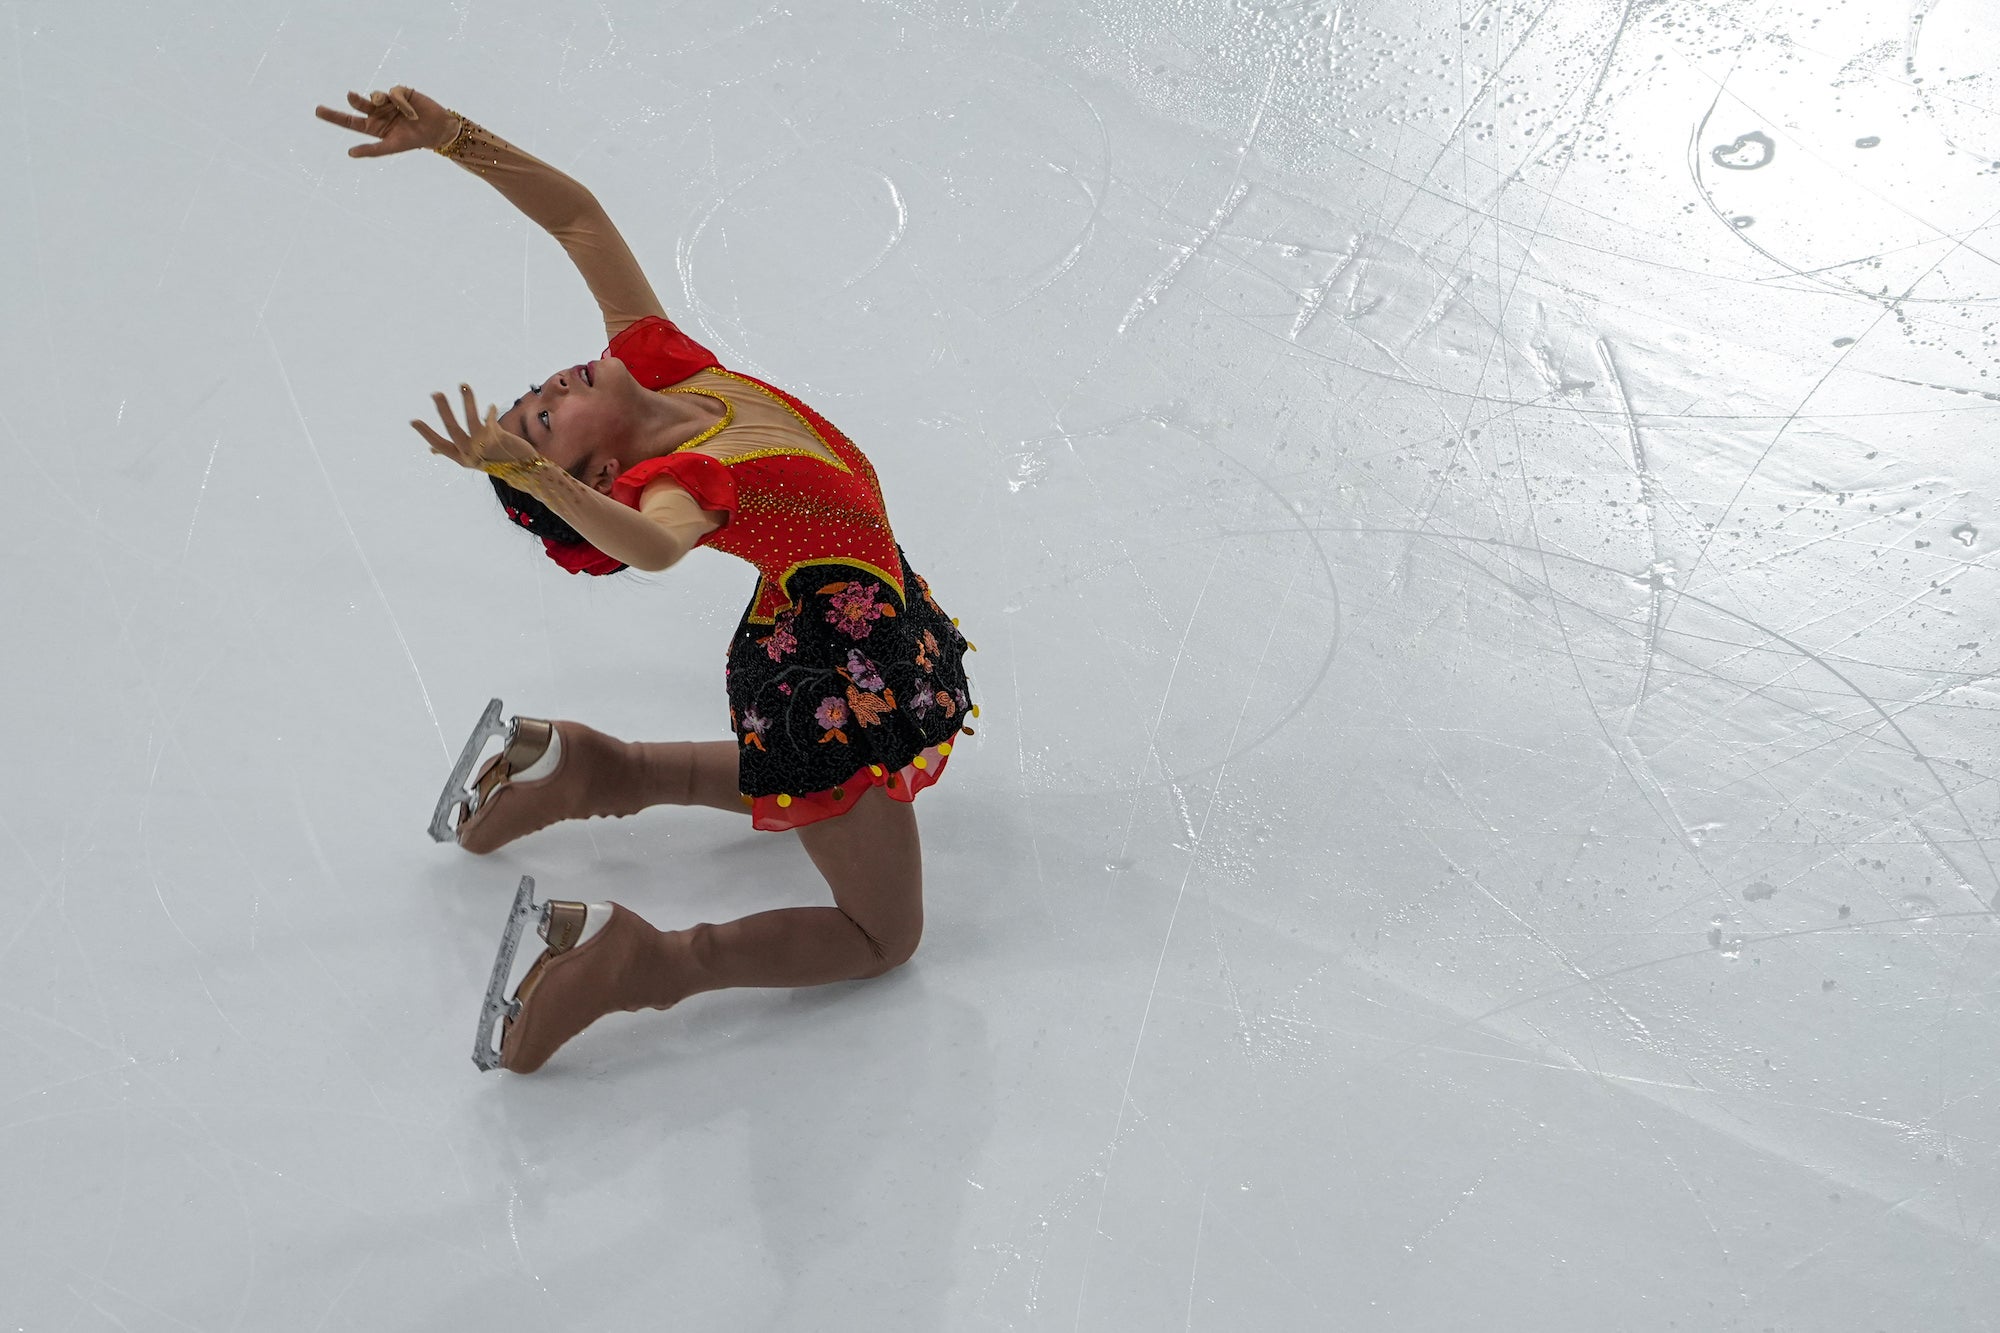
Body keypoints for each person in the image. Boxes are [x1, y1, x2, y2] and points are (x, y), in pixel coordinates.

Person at [314, 86, 975, 1074]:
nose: (548, 389)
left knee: (795, 782)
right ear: (595, 479)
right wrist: (524, 469)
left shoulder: (664, 372)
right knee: (884, 936)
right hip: (831, 682)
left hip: (836, 629)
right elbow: (653, 547)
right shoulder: (687, 485)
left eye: (534, 395)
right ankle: (638, 960)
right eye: (543, 420)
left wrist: (456, 138)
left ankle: (585, 769)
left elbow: (576, 216)